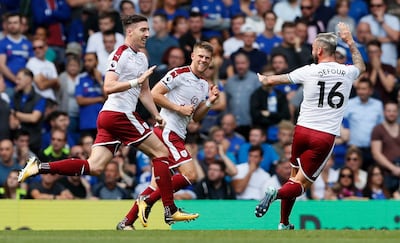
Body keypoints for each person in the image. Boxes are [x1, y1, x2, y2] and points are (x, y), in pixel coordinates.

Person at [18, 14, 198, 226]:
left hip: (111, 117)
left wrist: (156, 114)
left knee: (94, 167)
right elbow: (108, 86)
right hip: (119, 114)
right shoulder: (119, 54)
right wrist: (134, 81)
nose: (147, 34)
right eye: (143, 30)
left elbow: (145, 91)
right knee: (161, 153)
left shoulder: (141, 57)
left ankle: (39, 167)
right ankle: (169, 209)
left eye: (148, 30)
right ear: (129, 31)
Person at [254, 22, 365, 230]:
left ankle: (283, 223)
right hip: (323, 136)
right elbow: (362, 66)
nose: (312, 50)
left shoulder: (309, 71)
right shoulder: (347, 72)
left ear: (320, 50)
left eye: (314, 47)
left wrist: (264, 78)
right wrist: (350, 42)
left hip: (302, 131)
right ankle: (274, 194)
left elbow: (273, 81)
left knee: (292, 178)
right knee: (301, 185)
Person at [117, 41, 220, 229]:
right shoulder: (179, 74)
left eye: (207, 58)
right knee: (191, 175)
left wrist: (210, 103)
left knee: (157, 185)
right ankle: (150, 203)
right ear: (193, 56)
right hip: (167, 131)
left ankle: (126, 222)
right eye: (200, 56)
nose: (203, 60)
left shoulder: (204, 85)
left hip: (178, 134)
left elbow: (195, 117)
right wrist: (178, 108)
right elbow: (154, 94)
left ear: (211, 60)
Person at [371, 101, 400, 193]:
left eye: (394, 111)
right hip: (385, 173)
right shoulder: (378, 129)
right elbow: (376, 153)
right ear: (384, 112)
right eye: (389, 111)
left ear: (398, 112)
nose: (391, 113)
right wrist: (393, 168)